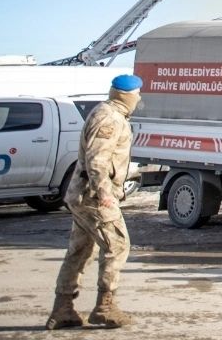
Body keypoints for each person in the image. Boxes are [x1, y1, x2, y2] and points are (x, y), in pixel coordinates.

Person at [46, 74, 143, 330]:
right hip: (94, 197)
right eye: (137, 93)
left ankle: (63, 309)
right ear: (127, 95)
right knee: (118, 245)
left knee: (80, 250)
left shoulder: (108, 113)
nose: (139, 98)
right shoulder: (110, 118)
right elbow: (97, 159)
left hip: (83, 196)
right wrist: (105, 194)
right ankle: (105, 307)